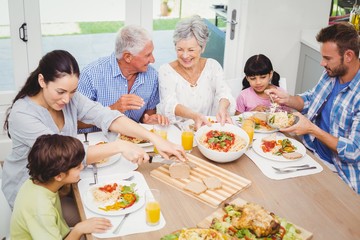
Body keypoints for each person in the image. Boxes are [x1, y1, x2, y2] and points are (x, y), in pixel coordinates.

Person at [2, 50, 185, 213]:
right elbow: (64, 155)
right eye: (60, 92)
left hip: (61, 185)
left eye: (73, 91)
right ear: (42, 81)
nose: (67, 99)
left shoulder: (70, 98)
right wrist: (120, 146)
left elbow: (107, 116)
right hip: (31, 196)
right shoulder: (22, 114)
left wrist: (155, 139)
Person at [266, 23, 360, 194]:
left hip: (339, 172)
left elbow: (354, 151)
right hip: (309, 150)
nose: (322, 63)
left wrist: (312, 129)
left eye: (328, 58)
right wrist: (288, 99)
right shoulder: (331, 73)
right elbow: (310, 99)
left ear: (348, 56)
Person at [10, 134, 112, 239]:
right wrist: (79, 229)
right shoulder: (42, 210)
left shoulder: (37, 181)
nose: (82, 167)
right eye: (77, 167)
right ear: (59, 176)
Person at [78, 25, 168, 133]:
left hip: (134, 142)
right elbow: (75, 121)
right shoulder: (91, 74)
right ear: (127, 57)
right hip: (97, 141)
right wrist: (113, 109)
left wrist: (147, 119)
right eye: (147, 55)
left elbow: (149, 113)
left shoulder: (152, 76)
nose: (153, 60)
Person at [157, 15, 235, 130]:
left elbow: (224, 93)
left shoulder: (213, 66)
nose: (185, 55)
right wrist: (195, 116)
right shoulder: (166, 71)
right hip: (178, 132)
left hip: (207, 130)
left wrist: (222, 108)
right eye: (180, 49)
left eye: (191, 50)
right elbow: (169, 104)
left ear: (202, 47)